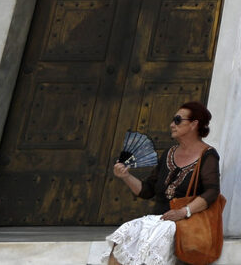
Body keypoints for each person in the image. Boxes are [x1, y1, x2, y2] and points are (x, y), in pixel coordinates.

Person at [90, 101, 221, 265]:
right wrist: (126, 176)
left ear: (194, 124)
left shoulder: (208, 155)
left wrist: (183, 211)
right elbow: (147, 190)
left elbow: (212, 192)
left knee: (155, 241)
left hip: (186, 221)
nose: (172, 125)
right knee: (124, 235)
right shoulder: (169, 153)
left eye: (178, 120)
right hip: (158, 218)